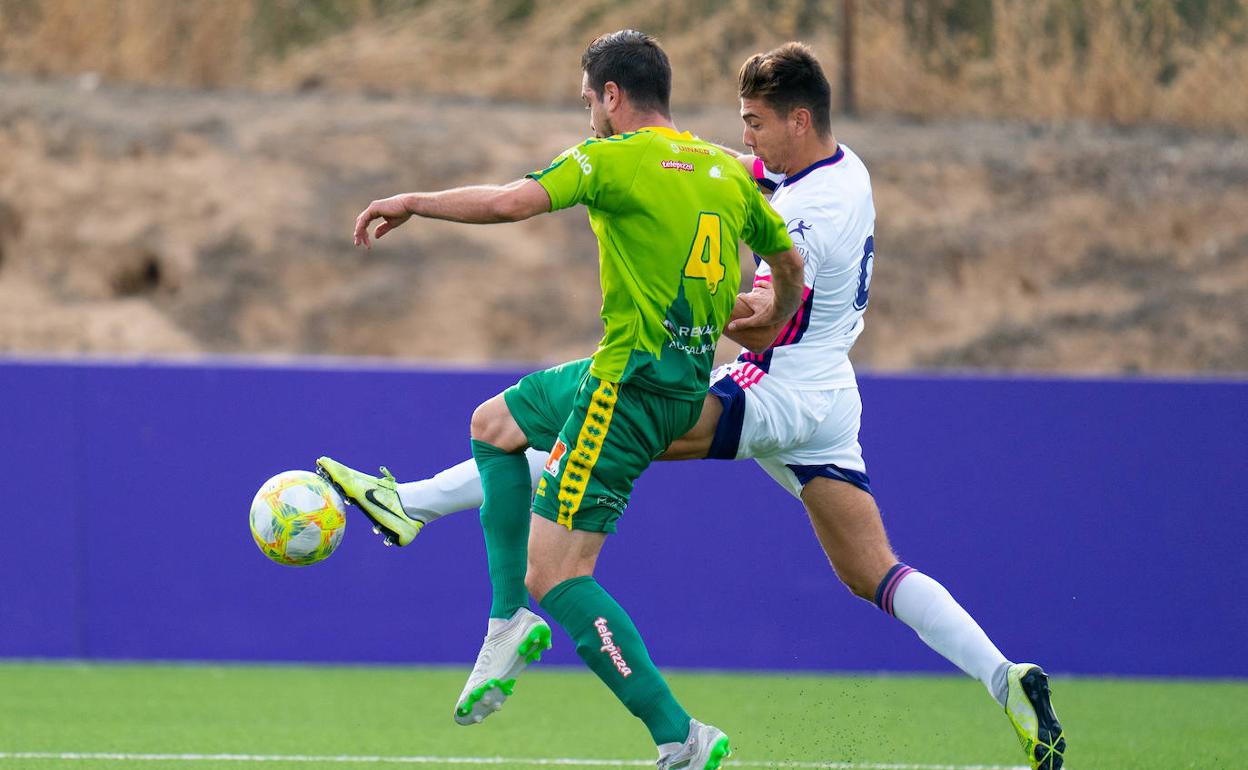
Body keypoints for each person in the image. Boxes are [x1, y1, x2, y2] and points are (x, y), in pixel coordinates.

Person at [322, 42, 1066, 770]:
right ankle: (1007, 679)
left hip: (770, 386)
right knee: (874, 571)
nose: (746, 137)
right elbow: (726, 188)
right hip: (833, 396)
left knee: (602, 430)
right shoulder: (843, 173)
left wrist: (701, 309)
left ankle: (419, 513)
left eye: (758, 122)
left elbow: (772, 299)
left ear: (799, 120)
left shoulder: (807, 208)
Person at [317, 30, 805, 770]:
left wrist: (415, 200)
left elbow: (513, 203)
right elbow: (788, 261)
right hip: (672, 385)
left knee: (562, 576)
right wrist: (771, 316)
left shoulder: (610, 158)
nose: (588, 115)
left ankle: (681, 736)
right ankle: (503, 617)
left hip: (625, 394)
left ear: (612, 97)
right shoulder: (725, 169)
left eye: (589, 100)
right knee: (495, 424)